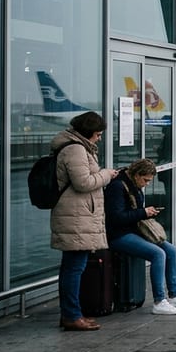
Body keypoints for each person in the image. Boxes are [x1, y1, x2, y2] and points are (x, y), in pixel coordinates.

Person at [50, 111, 118, 331]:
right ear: (88, 132)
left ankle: (72, 313)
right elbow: (83, 182)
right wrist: (106, 174)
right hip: (76, 217)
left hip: (77, 215)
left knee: (73, 266)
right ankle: (72, 315)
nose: (99, 138)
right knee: (74, 268)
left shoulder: (77, 147)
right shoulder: (75, 149)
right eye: (98, 134)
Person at [105, 158, 176, 315]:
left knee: (171, 250)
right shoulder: (117, 187)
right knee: (158, 254)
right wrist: (143, 213)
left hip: (133, 230)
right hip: (119, 234)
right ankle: (159, 301)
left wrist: (145, 213)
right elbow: (116, 217)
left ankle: (174, 294)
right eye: (145, 180)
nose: (146, 184)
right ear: (136, 175)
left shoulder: (133, 184)